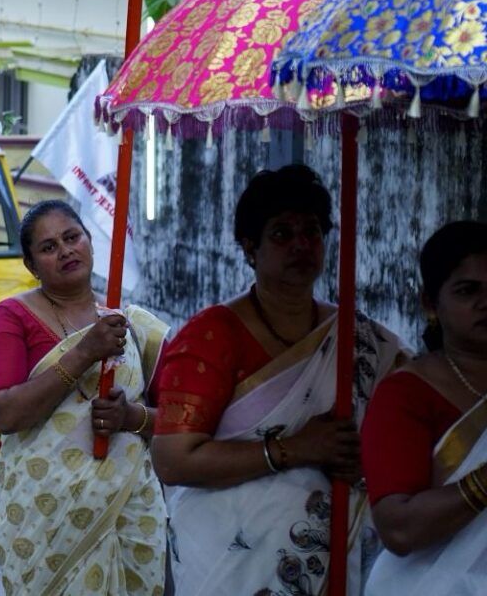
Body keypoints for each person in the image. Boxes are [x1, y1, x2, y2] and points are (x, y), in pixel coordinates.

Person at [150, 164, 405, 595]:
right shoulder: (212, 336)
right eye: (282, 234)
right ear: (251, 248)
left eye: (312, 232)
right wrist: (296, 449)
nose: (301, 245)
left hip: (333, 551)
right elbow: (173, 461)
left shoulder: (357, 338)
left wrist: (360, 458)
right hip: (228, 558)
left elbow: (404, 432)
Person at [0, 200, 169, 596]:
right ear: (31, 265)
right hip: (48, 518)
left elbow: (185, 419)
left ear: (89, 241)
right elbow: (5, 415)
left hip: (129, 512)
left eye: (72, 237)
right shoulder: (11, 318)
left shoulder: (132, 324)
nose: (65, 251)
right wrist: (84, 354)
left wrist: (131, 417)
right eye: (49, 247)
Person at [362, 221, 487, 591]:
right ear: (431, 303)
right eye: (467, 290)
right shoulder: (406, 394)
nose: (485, 301)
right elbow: (398, 528)